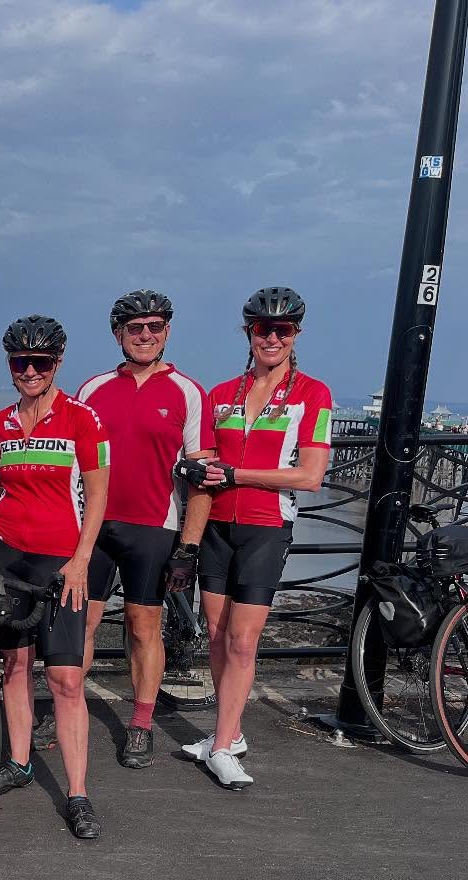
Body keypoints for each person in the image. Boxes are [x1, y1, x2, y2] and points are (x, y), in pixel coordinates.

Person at [177, 287, 330, 789]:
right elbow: (201, 459)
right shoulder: (221, 394)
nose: (271, 337)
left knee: (243, 641)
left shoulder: (314, 394)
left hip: (266, 529)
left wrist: (239, 473)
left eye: (282, 330)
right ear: (248, 332)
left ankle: (221, 747)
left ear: (296, 335)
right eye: (262, 328)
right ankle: (230, 731)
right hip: (216, 525)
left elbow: (310, 476)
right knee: (218, 637)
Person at [0, 316, 109, 840]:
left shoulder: (83, 420)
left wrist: (81, 559)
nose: (29, 371)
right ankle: (20, 763)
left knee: (67, 679)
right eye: (20, 363)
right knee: (16, 664)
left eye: (39, 363)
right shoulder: (0, 422)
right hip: (6, 555)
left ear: (57, 364)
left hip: (59, 562)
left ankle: (78, 793)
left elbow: (98, 495)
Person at [76, 290, 215, 768]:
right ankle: (67, 705)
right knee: (82, 624)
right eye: (134, 328)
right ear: (118, 334)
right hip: (92, 526)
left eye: (155, 327)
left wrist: (189, 548)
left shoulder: (187, 392)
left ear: (167, 332)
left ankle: (139, 722)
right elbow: (70, 459)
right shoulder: (93, 389)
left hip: (154, 527)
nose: (145, 336)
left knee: (142, 627)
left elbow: (201, 478)